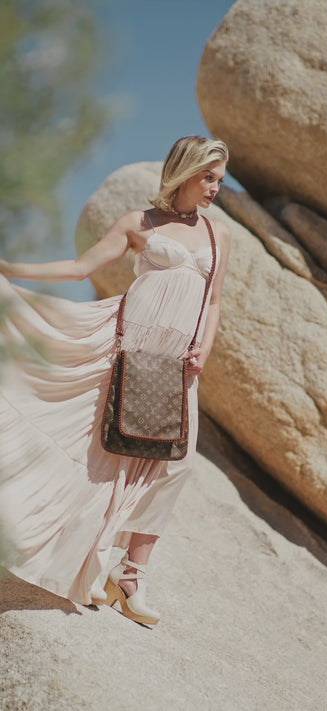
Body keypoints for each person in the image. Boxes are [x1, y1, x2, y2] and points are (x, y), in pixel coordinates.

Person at [0, 135, 230, 625]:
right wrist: (8, 267)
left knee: (177, 464)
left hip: (177, 362)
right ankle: (88, 562)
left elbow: (213, 301)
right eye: (208, 177)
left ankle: (131, 576)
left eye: (220, 180)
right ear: (185, 172)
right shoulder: (138, 223)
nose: (215, 188)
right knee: (106, 456)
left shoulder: (217, 235)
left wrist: (205, 348)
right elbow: (79, 268)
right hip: (128, 345)